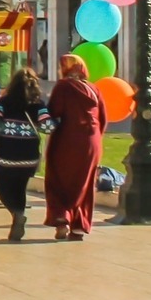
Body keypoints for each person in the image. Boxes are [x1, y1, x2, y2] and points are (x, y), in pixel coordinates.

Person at [0, 68, 54, 242]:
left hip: (6, 154)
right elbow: (48, 127)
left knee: (1, 187)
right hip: (29, 156)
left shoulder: (4, 102)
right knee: (20, 189)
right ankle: (18, 216)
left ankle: (17, 214)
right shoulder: (38, 104)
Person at [44, 54, 107, 239]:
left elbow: (54, 112)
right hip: (92, 141)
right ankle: (79, 226)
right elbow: (103, 118)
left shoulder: (63, 86)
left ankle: (62, 218)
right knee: (84, 184)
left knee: (59, 179)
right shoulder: (94, 89)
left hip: (67, 140)